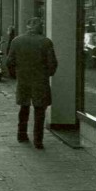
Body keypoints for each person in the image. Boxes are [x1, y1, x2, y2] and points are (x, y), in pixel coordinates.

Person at [5, 17, 58, 149]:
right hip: (40, 81)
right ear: (39, 27)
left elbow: (9, 61)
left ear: (28, 26)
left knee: (24, 108)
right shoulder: (46, 42)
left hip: (23, 80)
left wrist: (17, 74)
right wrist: (47, 73)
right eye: (42, 25)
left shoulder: (16, 41)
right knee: (40, 111)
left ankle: (21, 135)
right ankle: (38, 140)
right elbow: (52, 64)